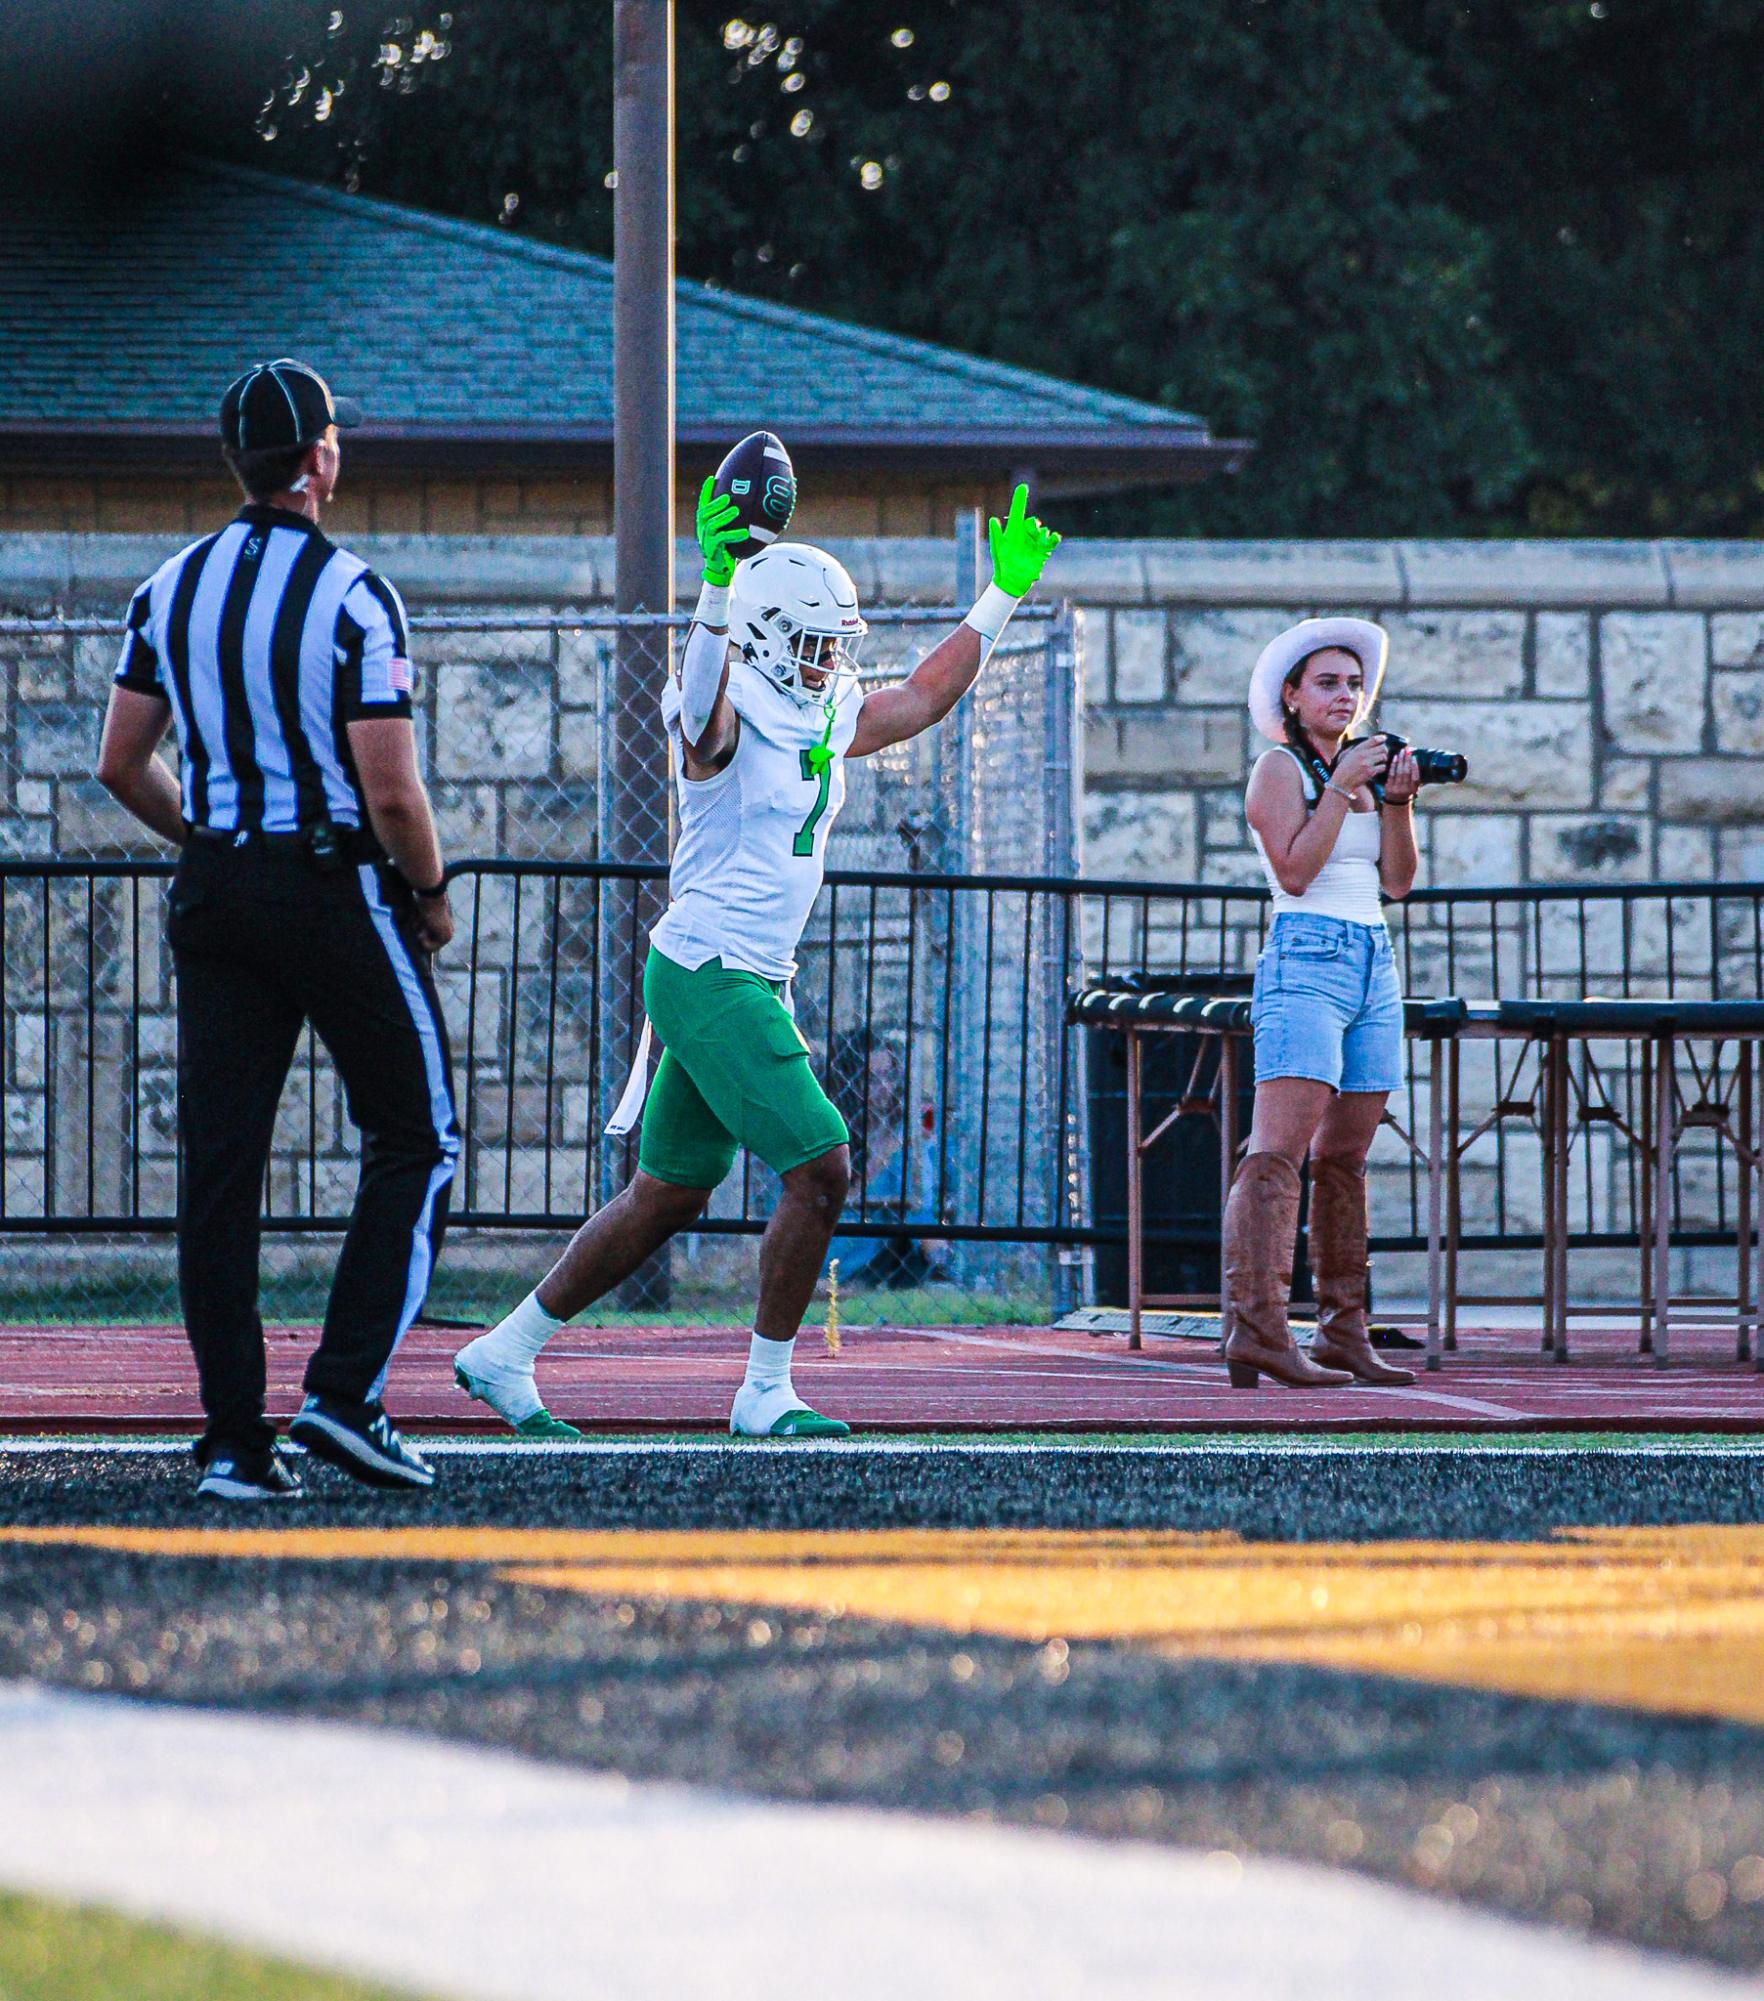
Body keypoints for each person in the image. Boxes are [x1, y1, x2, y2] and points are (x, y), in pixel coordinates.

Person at [453, 483, 1059, 1437]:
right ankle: (765, 1389)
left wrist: (1001, 594)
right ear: (769, 633)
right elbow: (701, 711)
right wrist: (713, 585)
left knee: (666, 1195)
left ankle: (503, 1351)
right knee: (822, 1165)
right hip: (709, 969)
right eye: (819, 643)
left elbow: (926, 695)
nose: (834, 661)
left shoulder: (825, 708)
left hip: (744, 974)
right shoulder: (723, 712)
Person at [97, 359, 458, 1499]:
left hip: (217, 889)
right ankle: (345, 1394)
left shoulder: (171, 589)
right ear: (320, 460)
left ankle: (231, 1445)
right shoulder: (355, 595)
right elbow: (391, 790)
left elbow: (118, 761)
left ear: (234, 463)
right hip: (329, 885)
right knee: (419, 1132)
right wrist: (432, 889)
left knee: (222, 1169)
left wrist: (209, 831)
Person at [1223, 619, 1422, 1391]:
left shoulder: (1362, 777)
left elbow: (1399, 883)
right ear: (1293, 697)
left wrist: (1396, 803)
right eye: (1328, 684)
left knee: (1345, 1154)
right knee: (1277, 1149)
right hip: (1306, 952)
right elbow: (1297, 871)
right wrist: (1342, 790)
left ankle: (1344, 1329)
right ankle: (1258, 1327)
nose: (1345, 696)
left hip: (1374, 958)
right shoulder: (1279, 770)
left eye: (1353, 684)